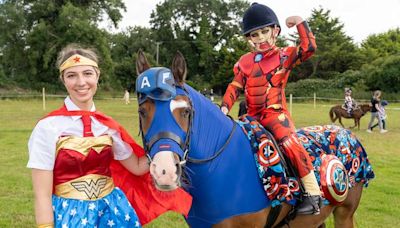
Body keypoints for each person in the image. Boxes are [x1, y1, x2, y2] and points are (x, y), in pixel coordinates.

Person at [27, 44, 191, 228]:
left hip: (112, 212)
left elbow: (136, 167)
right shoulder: (47, 127)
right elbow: (42, 195)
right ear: (63, 80)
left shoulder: (108, 126)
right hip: (69, 215)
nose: (81, 82)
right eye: (71, 75)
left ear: (97, 76)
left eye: (87, 73)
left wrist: (166, 145)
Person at [220, 3, 321, 214]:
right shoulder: (244, 62)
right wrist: (224, 107)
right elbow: (235, 86)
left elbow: (309, 48)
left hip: (275, 114)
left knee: (288, 141)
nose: (261, 38)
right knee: (233, 142)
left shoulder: (285, 55)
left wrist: (301, 22)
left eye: (265, 31)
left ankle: (313, 194)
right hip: (251, 116)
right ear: (249, 38)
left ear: (275, 31)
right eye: (255, 34)